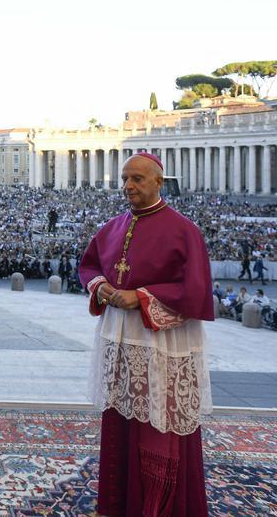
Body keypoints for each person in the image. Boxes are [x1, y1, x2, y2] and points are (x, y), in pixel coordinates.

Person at [79, 152, 213, 517]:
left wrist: (139, 297)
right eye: (125, 179)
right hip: (119, 341)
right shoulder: (112, 227)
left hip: (159, 343)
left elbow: (195, 292)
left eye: (137, 179)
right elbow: (89, 265)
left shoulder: (184, 230)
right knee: (120, 423)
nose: (128, 186)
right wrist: (101, 287)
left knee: (159, 425)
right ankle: (119, 503)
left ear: (159, 181)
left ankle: (159, 507)